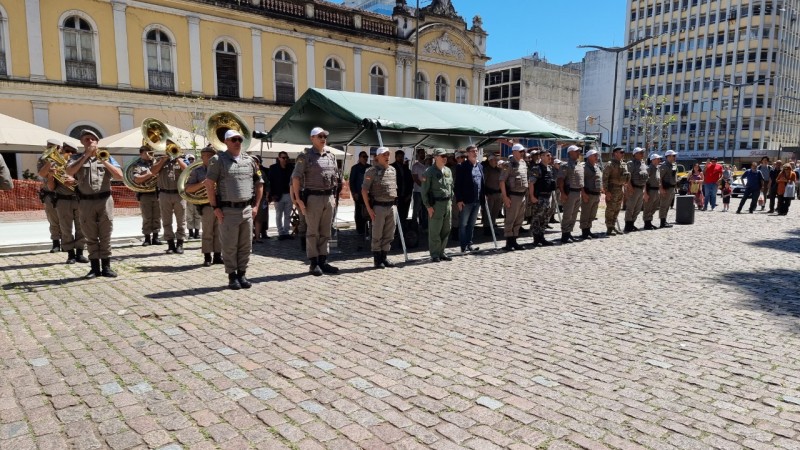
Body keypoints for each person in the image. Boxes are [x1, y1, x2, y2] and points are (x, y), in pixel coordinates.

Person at [205, 129, 264, 289]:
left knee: (246, 245)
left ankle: (242, 274)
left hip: (246, 209)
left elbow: (259, 183)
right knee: (230, 245)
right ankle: (232, 276)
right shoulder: (218, 160)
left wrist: (256, 206)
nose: (237, 142)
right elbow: (209, 184)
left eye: (239, 139)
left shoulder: (251, 161)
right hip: (228, 210)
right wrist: (215, 207)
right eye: (233, 140)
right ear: (226, 142)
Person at [65, 129, 123, 278]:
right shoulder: (76, 157)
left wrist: (103, 160)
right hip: (85, 201)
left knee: (105, 234)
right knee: (90, 236)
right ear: (82, 142)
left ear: (97, 142)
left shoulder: (107, 157)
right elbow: (69, 171)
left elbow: (119, 176)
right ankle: (94, 268)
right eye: (86, 139)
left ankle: (106, 266)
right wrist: (85, 156)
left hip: (104, 201)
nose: (90, 141)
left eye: (92, 139)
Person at [292, 127, 340, 276]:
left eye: (325, 135)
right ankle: (313, 263)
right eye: (319, 136)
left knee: (326, 231)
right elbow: (296, 177)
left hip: (329, 197)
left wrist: (335, 198)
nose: (323, 138)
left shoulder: (330, 156)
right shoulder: (305, 156)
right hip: (313, 197)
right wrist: (298, 199)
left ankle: (323, 260)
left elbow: (337, 177)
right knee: (313, 231)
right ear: (312, 138)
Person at [185, 145, 223, 267]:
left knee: (219, 231)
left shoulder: (222, 169)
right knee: (207, 232)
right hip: (206, 205)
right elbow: (188, 189)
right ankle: (207, 256)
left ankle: (218, 255)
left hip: (221, 204)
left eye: (211, 156)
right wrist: (203, 184)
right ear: (202, 157)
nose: (209, 158)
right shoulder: (197, 171)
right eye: (206, 156)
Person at [361, 147, 397, 268]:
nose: (387, 156)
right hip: (379, 207)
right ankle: (377, 260)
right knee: (377, 234)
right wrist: (369, 209)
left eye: (388, 154)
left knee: (389, 234)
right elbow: (364, 190)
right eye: (384, 155)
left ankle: (384, 257)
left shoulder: (393, 170)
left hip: (391, 206)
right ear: (377, 157)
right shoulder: (371, 171)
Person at [52, 143, 87, 264]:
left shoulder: (79, 165)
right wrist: (51, 176)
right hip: (63, 200)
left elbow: (85, 182)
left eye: (73, 152)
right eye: (67, 151)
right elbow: (51, 187)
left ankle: (80, 253)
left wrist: (75, 181)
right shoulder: (56, 165)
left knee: (81, 227)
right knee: (65, 228)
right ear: (62, 151)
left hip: (78, 198)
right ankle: (70, 254)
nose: (70, 154)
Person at [150, 148, 188, 253]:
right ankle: (170, 244)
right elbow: (153, 172)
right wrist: (162, 160)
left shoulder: (181, 160)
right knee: (166, 221)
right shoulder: (159, 160)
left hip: (179, 194)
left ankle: (180, 244)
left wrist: (178, 159)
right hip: (164, 194)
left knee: (181, 220)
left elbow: (188, 171)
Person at [421, 148, 454, 262]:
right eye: (442, 156)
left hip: (447, 204)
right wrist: (428, 207)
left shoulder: (448, 171)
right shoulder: (429, 172)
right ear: (435, 157)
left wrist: (451, 201)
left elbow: (451, 187)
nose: (445, 158)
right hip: (436, 205)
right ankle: (435, 254)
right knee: (435, 230)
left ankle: (442, 252)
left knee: (446, 229)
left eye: (445, 156)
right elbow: (424, 191)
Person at [454, 145, 483, 253]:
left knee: (471, 224)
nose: (475, 153)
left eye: (476, 151)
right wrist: (459, 200)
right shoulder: (462, 166)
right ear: (467, 153)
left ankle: (469, 244)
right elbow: (457, 185)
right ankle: (463, 246)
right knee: (463, 224)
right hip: (466, 200)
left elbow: (481, 182)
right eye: (473, 151)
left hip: (477, 199)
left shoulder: (480, 166)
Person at [132, 146, 163, 246]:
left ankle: (156, 237)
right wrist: (150, 174)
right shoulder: (137, 165)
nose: (150, 155)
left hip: (157, 192)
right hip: (144, 194)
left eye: (151, 152)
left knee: (157, 216)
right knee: (147, 217)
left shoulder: (157, 163)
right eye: (147, 153)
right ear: (141, 154)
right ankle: (147, 238)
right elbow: (137, 179)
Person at [499, 144, 528, 250]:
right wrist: (505, 197)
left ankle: (514, 241)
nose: (522, 153)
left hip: (522, 195)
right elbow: (502, 181)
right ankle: (508, 242)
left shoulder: (523, 163)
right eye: (520, 151)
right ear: (514, 152)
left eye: (523, 151)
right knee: (510, 219)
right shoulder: (508, 165)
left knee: (519, 219)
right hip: (513, 196)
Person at [38, 139, 62, 253]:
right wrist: (49, 162)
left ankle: (68, 243)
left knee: (66, 220)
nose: (51, 149)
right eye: (49, 146)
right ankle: (56, 243)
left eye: (54, 147)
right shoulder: (42, 159)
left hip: (63, 193)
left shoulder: (64, 158)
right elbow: (41, 173)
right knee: (53, 220)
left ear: (59, 148)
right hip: (49, 193)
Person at [557, 145, 585, 243]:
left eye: (579, 151)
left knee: (574, 215)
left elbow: (581, 181)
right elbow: (560, 180)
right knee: (567, 215)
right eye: (576, 151)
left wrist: (583, 193)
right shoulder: (565, 165)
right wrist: (563, 193)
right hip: (570, 192)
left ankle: (569, 233)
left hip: (578, 192)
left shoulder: (579, 165)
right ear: (570, 153)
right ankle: (565, 235)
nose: (578, 153)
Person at [528, 150, 556, 247]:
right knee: (537, 218)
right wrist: (532, 196)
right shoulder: (537, 168)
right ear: (542, 157)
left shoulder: (549, 168)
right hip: (539, 197)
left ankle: (542, 237)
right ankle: (536, 238)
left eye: (550, 155)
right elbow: (531, 183)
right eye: (548, 155)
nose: (550, 157)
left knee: (545, 218)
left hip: (548, 196)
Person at [602, 146, 630, 236]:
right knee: (610, 209)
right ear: (615, 153)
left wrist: (626, 183)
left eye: (623, 152)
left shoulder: (623, 164)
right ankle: (609, 227)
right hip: (612, 189)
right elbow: (605, 178)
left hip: (620, 188)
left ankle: (613, 225)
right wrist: (607, 192)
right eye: (621, 152)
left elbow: (626, 176)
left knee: (617, 209)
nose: (623, 154)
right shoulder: (610, 164)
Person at [268, 151, 294, 240]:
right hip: (278, 195)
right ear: (279, 158)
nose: (285, 159)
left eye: (286, 158)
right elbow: (270, 182)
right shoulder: (273, 168)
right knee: (279, 214)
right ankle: (280, 232)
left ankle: (286, 232)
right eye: (283, 158)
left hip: (289, 194)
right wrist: (272, 195)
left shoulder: (291, 167)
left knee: (288, 215)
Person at [579, 149, 602, 239]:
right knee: (585, 213)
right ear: (589, 157)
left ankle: (588, 230)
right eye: (594, 155)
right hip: (588, 194)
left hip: (596, 193)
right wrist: (583, 193)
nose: (597, 157)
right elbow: (581, 181)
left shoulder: (596, 167)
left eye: (597, 155)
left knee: (592, 214)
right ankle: (584, 232)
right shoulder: (584, 167)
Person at [624, 147, 648, 232]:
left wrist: (645, 190)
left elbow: (645, 178)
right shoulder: (631, 163)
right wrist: (629, 188)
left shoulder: (643, 164)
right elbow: (627, 177)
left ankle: (632, 223)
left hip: (641, 188)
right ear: (635, 154)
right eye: (640, 153)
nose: (642, 154)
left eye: (642, 153)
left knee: (637, 208)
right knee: (630, 207)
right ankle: (628, 225)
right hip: (633, 188)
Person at [481, 153, 503, 236]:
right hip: (489, 194)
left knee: (495, 211)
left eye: (496, 160)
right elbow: (483, 182)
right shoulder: (486, 170)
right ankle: (487, 228)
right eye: (494, 160)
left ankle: (492, 226)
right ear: (490, 161)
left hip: (498, 193)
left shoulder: (499, 170)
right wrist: (484, 193)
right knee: (488, 212)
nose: (495, 161)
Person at [349, 151, 369, 235]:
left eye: (366, 157)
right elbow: (351, 181)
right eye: (364, 157)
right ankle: (360, 229)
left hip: (368, 194)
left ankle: (367, 229)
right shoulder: (355, 168)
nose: (365, 158)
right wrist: (354, 193)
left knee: (368, 211)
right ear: (360, 157)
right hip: (359, 194)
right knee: (359, 212)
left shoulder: (370, 167)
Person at [252, 155, 270, 243]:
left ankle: (257, 236)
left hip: (260, 197)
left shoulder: (260, 172)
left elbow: (266, 184)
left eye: (255, 161)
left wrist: (267, 196)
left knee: (259, 218)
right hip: (249, 197)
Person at [184, 154, 202, 240]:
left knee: (197, 214)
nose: (191, 160)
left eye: (192, 159)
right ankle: (191, 233)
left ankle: (197, 232)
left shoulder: (197, 169)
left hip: (197, 195)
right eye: (189, 159)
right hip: (189, 195)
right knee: (189, 215)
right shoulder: (185, 169)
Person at [642, 154, 662, 230]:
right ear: (653, 160)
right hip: (650, 190)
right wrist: (645, 193)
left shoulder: (657, 168)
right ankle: (647, 223)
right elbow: (645, 181)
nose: (659, 160)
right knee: (648, 207)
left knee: (654, 207)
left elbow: (658, 180)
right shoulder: (649, 168)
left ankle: (649, 221)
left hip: (656, 190)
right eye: (657, 159)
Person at [411, 148, 429, 233]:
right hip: (418, 191)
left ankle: (424, 226)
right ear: (418, 155)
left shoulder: (428, 166)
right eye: (421, 153)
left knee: (425, 210)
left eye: (423, 153)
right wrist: (423, 186)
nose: (423, 155)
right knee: (416, 210)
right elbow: (415, 178)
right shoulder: (415, 166)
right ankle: (414, 227)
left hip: (426, 192)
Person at [658, 150, 677, 228]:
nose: (675, 157)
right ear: (668, 156)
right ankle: (662, 222)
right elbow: (660, 178)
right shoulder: (664, 166)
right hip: (666, 188)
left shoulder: (673, 165)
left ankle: (664, 220)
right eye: (673, 156)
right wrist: (661, 189)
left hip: (671, 188)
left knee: (667, 205)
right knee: (663, 205)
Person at [392, 150, 413, 221]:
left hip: (406, 196)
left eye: (402, 157)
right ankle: (396, 231)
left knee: (404, 215)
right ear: (395, 157)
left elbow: (411, 182)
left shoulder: (406, 168)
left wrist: (409, 194)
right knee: (395, 215)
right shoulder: (391, 167)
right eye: (399, 157)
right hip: (396, 196)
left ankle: (403, 230)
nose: (401, 158)